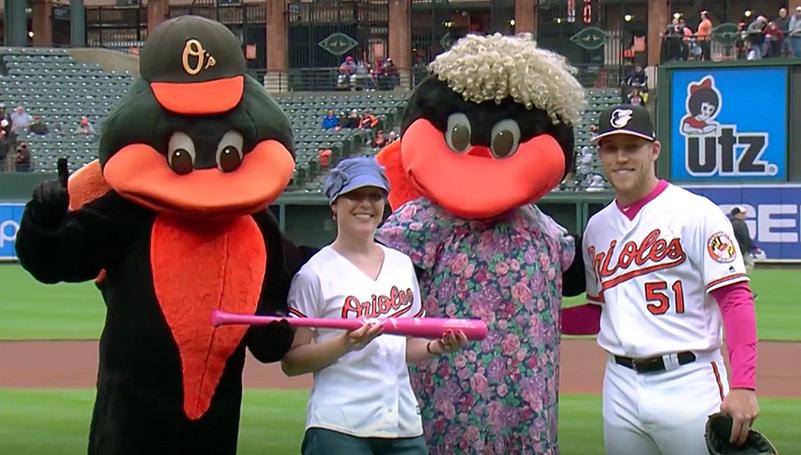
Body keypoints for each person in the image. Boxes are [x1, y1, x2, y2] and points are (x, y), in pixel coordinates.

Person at [580, 104, 759, 454]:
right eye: (610, 147)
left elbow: (735, 300)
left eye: (631, 147)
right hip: (619, 385)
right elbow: (597, 313)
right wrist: (535, 319)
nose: (621, 158)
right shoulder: (596, 228)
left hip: (690, 382)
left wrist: (744, 384)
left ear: (654, 150)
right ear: (599, 153)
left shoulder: (695, 213)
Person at [282, 156, 468, 455]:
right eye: (354, 195)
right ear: (334, 204)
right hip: (339, 426)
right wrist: (345, 343)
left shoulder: (401, 265)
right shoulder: (314, 273)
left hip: (402, 424)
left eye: (375, 196)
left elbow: (405, 346)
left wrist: (437, 348)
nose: (365, 204)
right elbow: (292, 361)